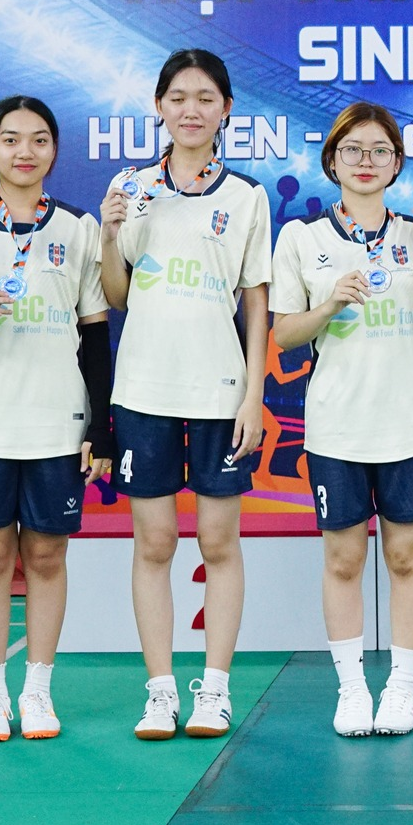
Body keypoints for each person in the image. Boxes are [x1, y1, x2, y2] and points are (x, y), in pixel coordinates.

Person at [272, 102, 413, 737]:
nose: (366, 161)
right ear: (332, 160)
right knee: (344, 559)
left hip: (406, 424)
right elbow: (285, 334)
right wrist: (329, 304)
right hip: (337, 427)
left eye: (380, 150)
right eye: (352, 149)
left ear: (396, 163)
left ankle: (402, 688)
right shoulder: (302, 238)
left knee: (405, 557)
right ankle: (352, 689)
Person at [100, 49, 272, 740]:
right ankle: (160, 691)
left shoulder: (246, 196)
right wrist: (110, 234)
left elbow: (256, 302)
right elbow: (116, 295)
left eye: (205, 98)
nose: (191, 109)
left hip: (219, 393)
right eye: (178, 97)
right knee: (155, 540)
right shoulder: (132, 188)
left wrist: (253, 393)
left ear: (226, 108)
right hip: (143, 389)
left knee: (217, 539)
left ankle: (215, 690)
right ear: (159, 106)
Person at [0, 98, 115, 742]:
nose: (25, 152)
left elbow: (97, 337)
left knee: (46, 554)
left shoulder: (80, 229)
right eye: (11, 139)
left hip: (56, 422)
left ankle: (37, 691)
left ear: (54, 150)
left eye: (39, 139)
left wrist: (101, 427)